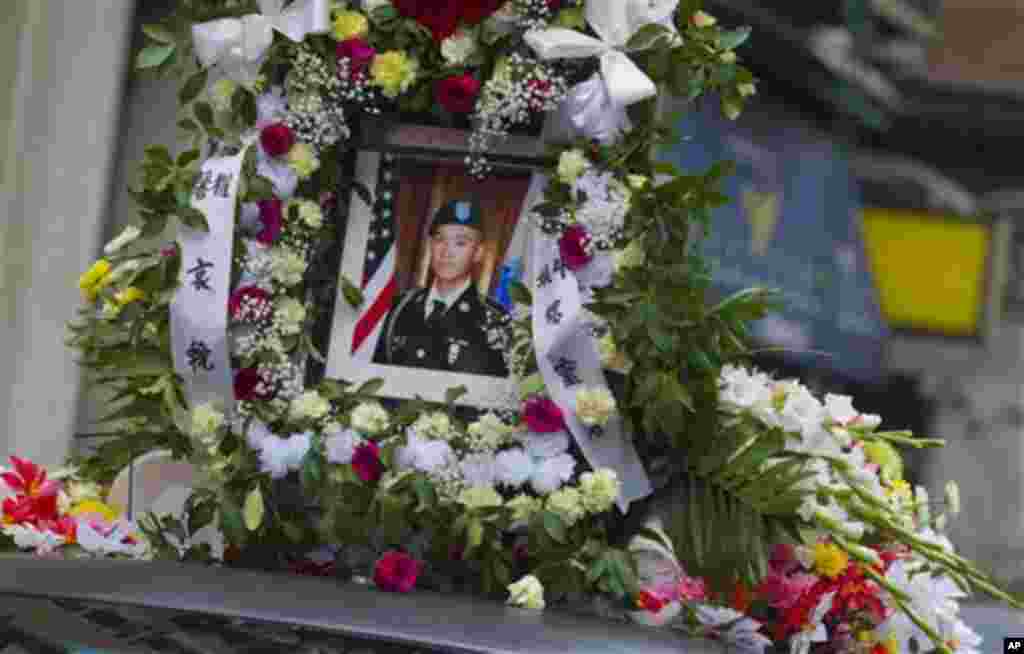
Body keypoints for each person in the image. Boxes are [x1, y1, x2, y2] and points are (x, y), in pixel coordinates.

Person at [372, 199, 510, 377]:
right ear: (430, 244)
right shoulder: (397, 307)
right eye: (440, 240)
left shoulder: (495, 322)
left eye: (460, 243)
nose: (446, 252)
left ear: (478, 253)